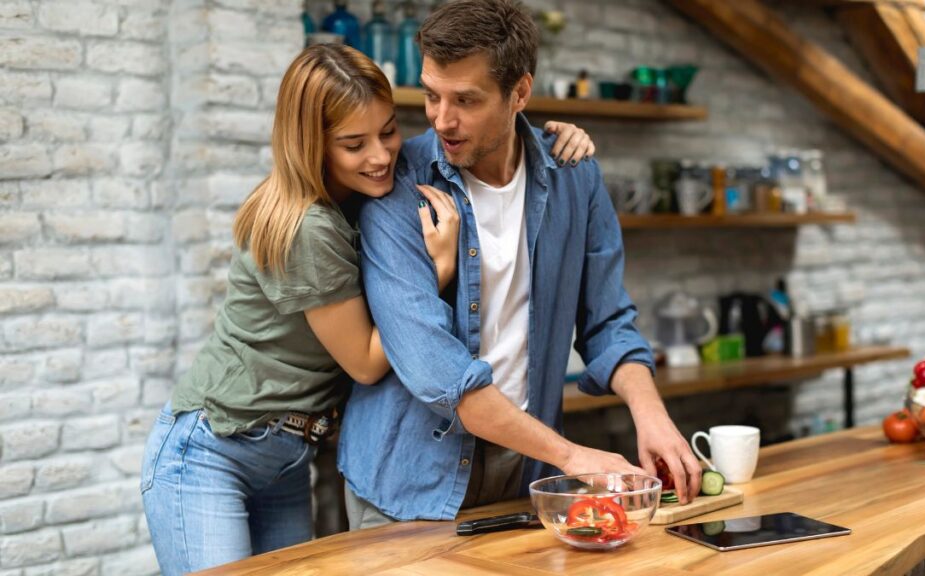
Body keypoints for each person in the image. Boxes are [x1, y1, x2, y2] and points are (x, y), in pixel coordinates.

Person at [139, 43, 595, 575]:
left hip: (288, 457)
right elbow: (366, 362)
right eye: (354, 144)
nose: (380, 155)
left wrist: (550, 137)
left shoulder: (364, 193)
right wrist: (438, 272)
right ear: (312, 144)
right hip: (213, 452)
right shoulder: (307, 226)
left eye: (386, 132)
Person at [340, 0, 703, 530]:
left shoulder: (574, 176)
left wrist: (653, 417)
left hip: (525, 469)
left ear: (520, 93)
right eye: (432, 94)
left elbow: (608, 324)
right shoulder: (396, 184)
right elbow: (439, 373)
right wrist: (575, 458)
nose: (442, 118)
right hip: (409, 478)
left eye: (466, 100)